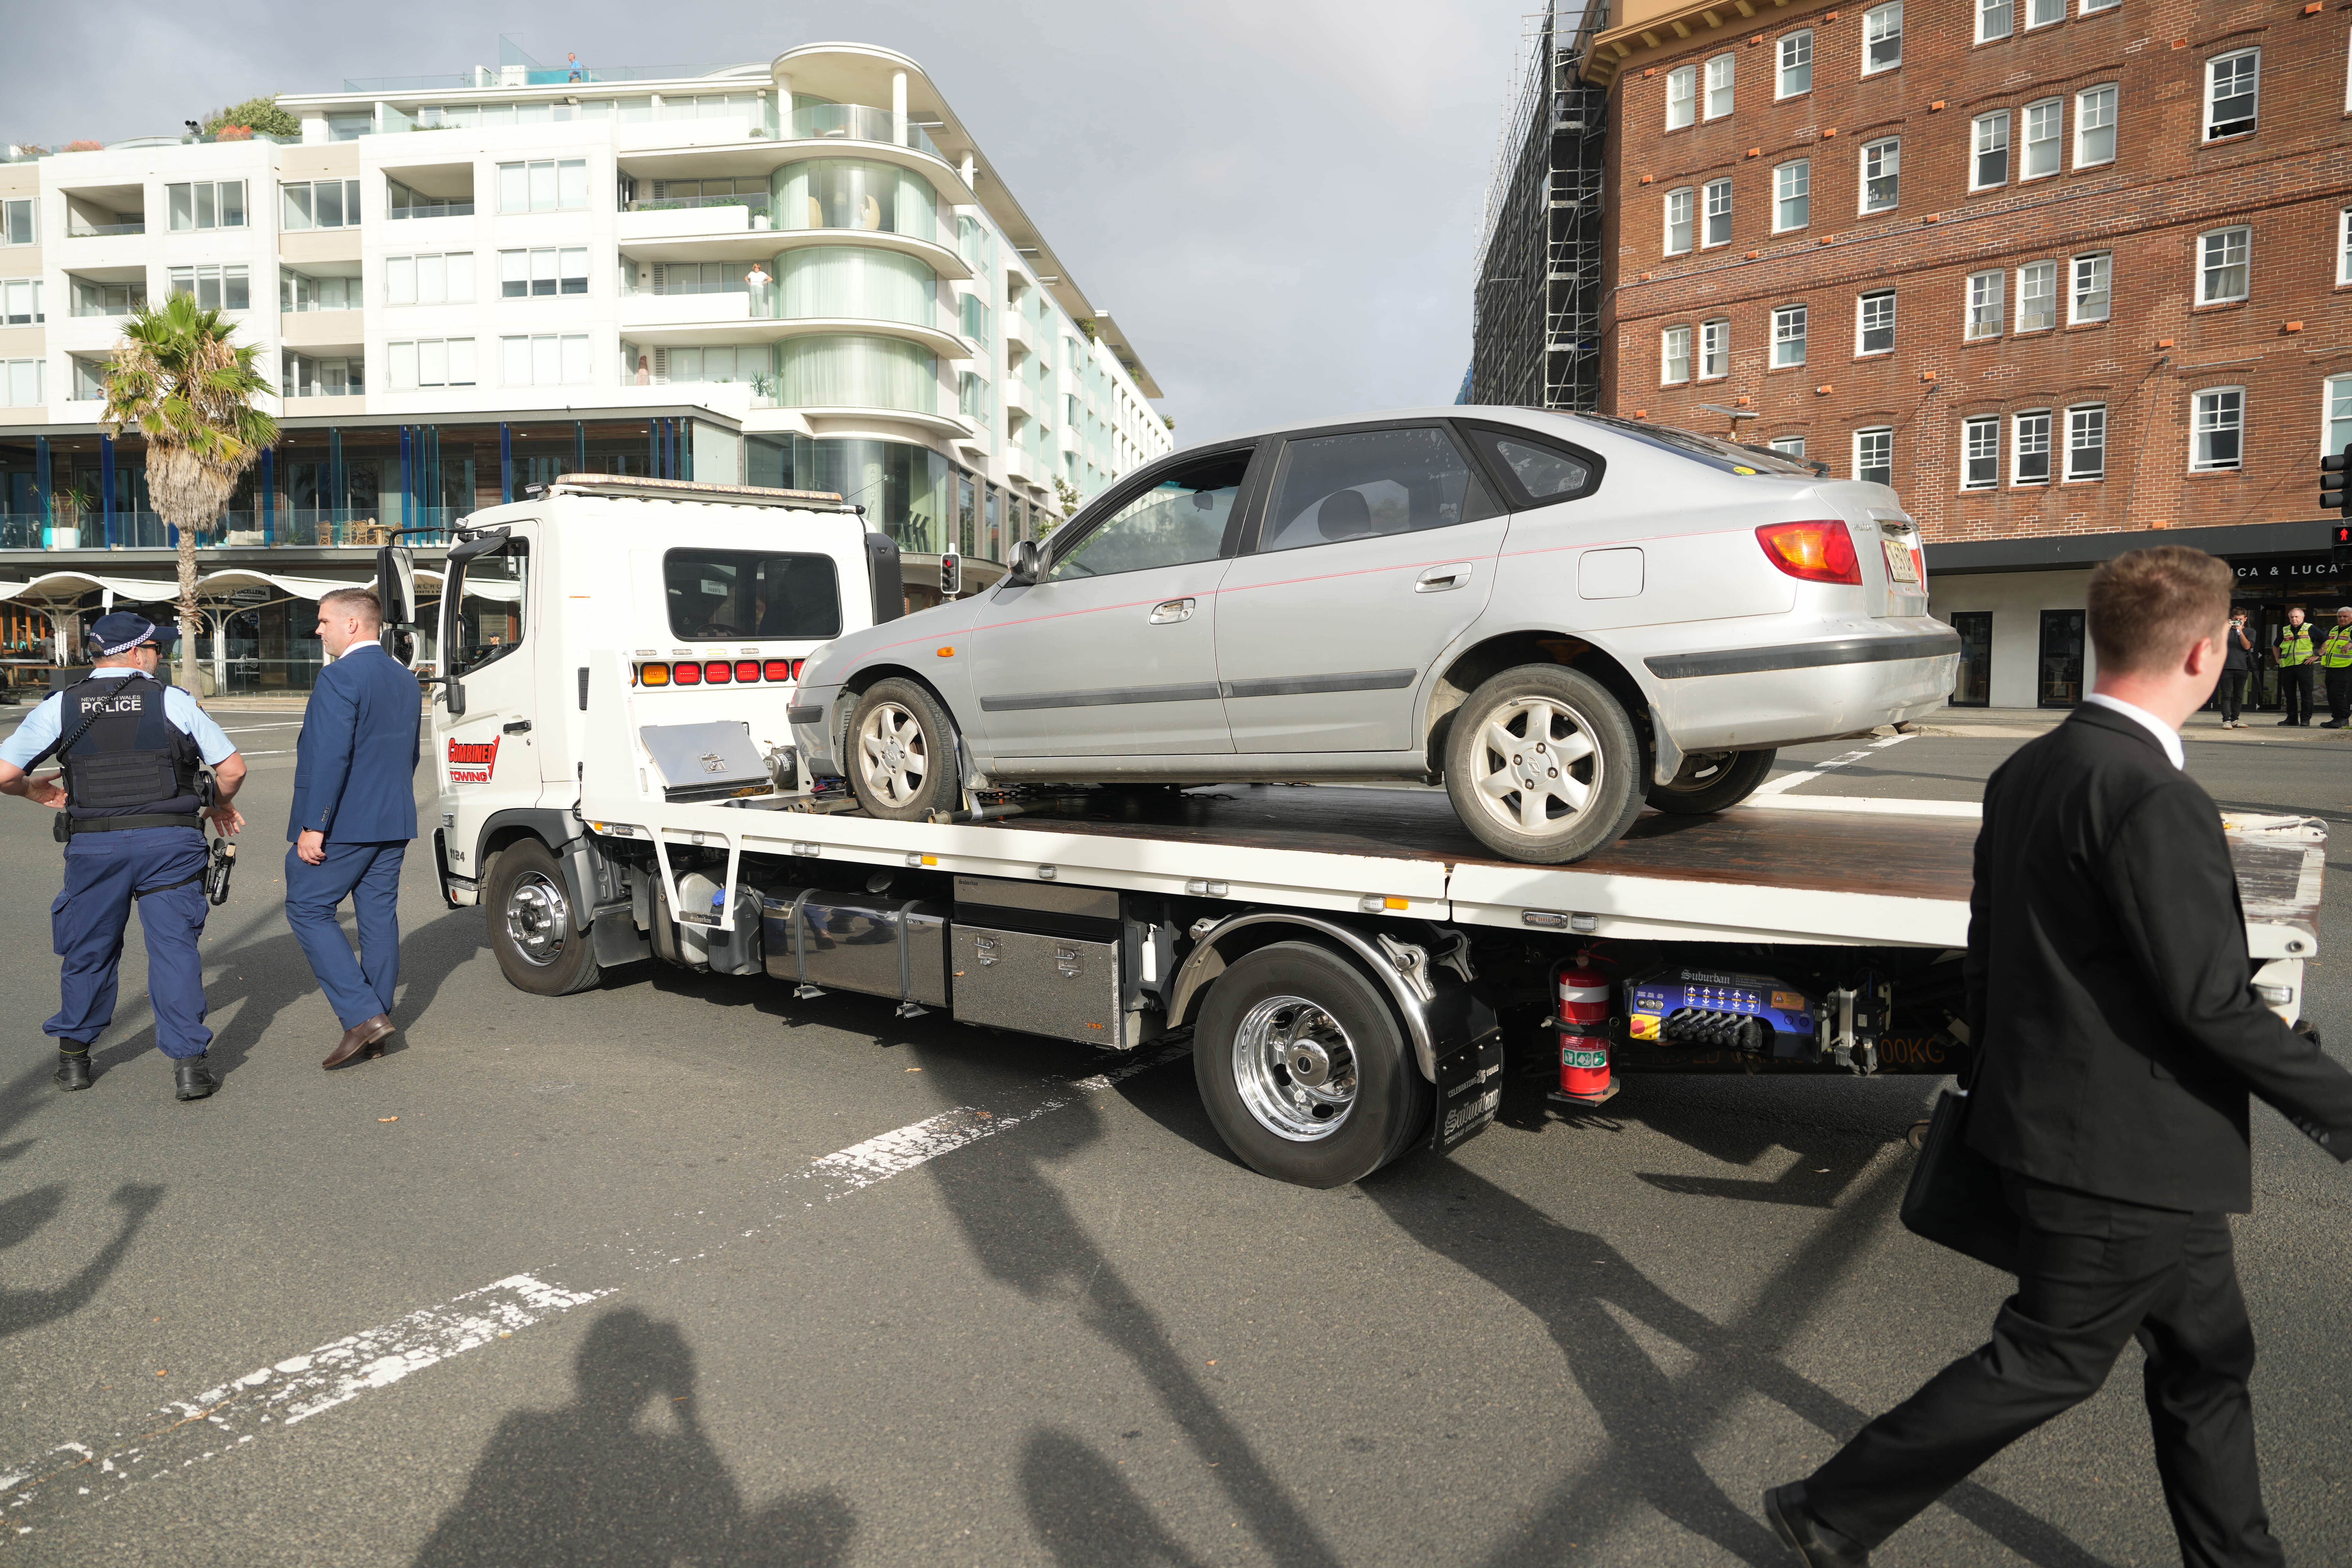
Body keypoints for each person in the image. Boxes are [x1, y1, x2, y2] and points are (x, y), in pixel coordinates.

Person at [1765, 547, 2352, 1568]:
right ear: (2208, 649)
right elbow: (2206, 999)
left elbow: (1992, 953)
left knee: (2206, 1358)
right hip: (2123, 1157)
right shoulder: (2151, 795)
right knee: (2047, 1358)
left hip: (2098, 1139)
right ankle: (1829, 1506)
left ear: (2095, 637)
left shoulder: (2029, 768)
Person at [0, 612, 246, 1100]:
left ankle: (74, 1060)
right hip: (170, 846)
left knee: (89, 948)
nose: (162, 658)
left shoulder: (61, 705)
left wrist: (34, 792)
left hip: (96, 845)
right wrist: (218, 803)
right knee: (174, 952)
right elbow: (233, 770)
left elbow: (5, 775)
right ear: (137, 652)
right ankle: (189, 1068)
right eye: (158, 649)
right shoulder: (171, 701)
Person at [284, 588, 421, 1070]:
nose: (318, 630)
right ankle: (377, 1025)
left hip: (345, 822)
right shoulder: (404, 679)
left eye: (324, 622)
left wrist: (313, 826)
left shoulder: (339, 677)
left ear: (353, 625)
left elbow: (329, 756)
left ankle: (363, 1017)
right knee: (379, 918)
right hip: (393, 816)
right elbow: (409, 755)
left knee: (306, 906)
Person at [2271, 605, 2315, 727]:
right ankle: (2292, 719)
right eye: (2292, 617)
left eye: (2296, 616)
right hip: (2288, 667)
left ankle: (2306, 720)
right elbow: (2276, 646)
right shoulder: (2285, 630)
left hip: (2304, 666)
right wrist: (2278, 659)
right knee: (2290, 695)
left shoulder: (2310, 628)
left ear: (2303, 617)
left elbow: (2326, 641)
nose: (2294, 619)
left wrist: (2317, 656)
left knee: (2306, 694)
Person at [2214, 607, 2252, 728]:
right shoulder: (2226, 631)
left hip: (2242, 667)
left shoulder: (2250, 632)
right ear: (2231, 619)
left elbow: (2247, 647)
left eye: (2241, 620)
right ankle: (2226, 720)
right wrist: (2226, 629)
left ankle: (2235, 719)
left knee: (2239, 695)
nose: (2238, 622)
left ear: (2245, 619)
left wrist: (2240, 632)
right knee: (2226, 695)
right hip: (2226, 667)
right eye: (2236, 620)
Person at [2318, 606, 2352, 729]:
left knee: (2337, 693)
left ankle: (2344, 718)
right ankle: (2337, 718)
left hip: (2345, 666)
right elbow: (2328, 644)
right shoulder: (2335, 630)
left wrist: (2351, 643)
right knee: (2331, 694)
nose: (2342, 619)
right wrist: (2320, 653)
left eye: (2345, 617)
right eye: (2340, 617)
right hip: (2331, 666)